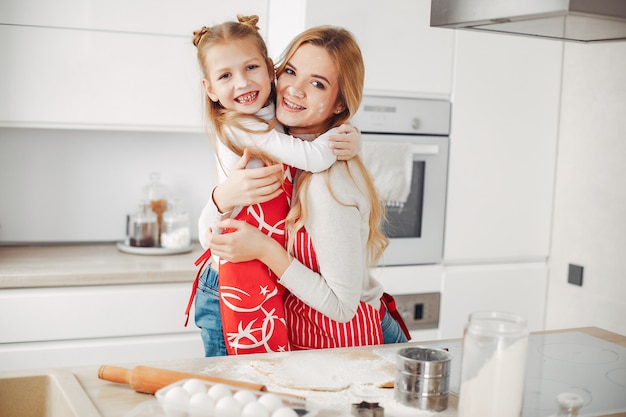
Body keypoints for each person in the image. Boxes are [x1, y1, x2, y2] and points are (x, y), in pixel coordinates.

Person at [204, 25, 411, 350]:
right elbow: (208, 237)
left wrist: (263, 249)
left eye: (317, 83)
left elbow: (342, 307)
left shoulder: (326, 182)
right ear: (277, 73)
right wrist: (220, 198)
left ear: (340, 103)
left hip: (354, 334)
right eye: (291, 72)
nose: (293, 91)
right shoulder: (274, 132)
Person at [188, 16, 362, 356]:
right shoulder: (241, 125)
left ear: (270, 70)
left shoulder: (273, 115)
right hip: (228, 277)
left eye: (251, 67)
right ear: (210, 89)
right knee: (238, 392)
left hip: (258, 272)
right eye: (225, 76)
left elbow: (310, 136)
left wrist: (354, 136)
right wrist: (347, 135)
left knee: (261, 385)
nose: (241, 83)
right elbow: (313, 156)